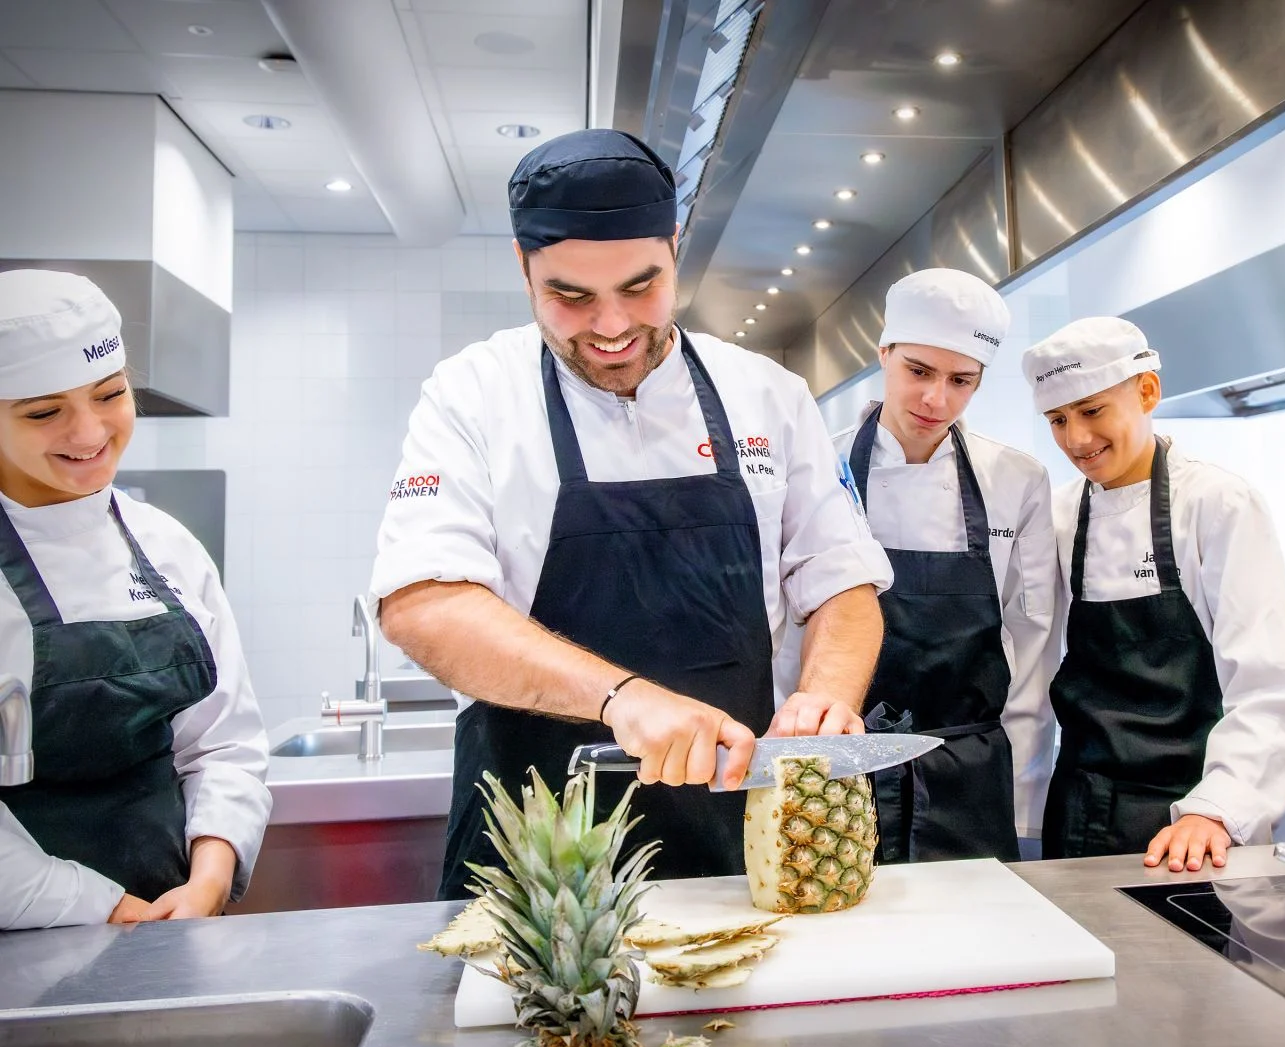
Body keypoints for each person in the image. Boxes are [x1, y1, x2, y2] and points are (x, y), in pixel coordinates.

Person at [370, 129, 893, 896]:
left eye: (640, 287)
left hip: (735, 847)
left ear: (675, 248)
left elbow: (844, 583)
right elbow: (422, 603)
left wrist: (828, 696)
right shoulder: (473, 394)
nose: (611, 326)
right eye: (570, 296)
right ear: (523, 268)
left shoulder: (766, 394)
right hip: (538, 866)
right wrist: (622, 698)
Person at [0, 269, 271, 930]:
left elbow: (224, 742)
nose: (89, 430)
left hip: (170, 928)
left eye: (110, 394)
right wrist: (103, 906)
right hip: (24, 935)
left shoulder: (166, 544)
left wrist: (208, 876)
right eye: (43, 411)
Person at [1024, 317, 1285, 870]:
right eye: (1058, 420)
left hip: (1198, 818)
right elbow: (1031, 666)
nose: (1076, 439)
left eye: (1092, 411)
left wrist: (1216, 810)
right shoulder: (1059, 515)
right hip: (1081, 809)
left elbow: (1267, 684)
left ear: (1147, 392)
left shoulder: (1217, 503)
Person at [791, 267, 1055, 862]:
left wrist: (1022, 798)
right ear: (883, 352)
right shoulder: (817, 466)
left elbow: (1033, 646)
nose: (937, 399)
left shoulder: (1017, 481)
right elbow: (790, 633)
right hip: (838, 771)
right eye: (918, 371)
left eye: (962, 380)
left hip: (971, 775)